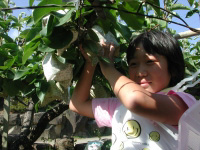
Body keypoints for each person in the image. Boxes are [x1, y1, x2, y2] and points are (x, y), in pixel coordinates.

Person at [69, 30, 196, 150]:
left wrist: (109, 69)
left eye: (150, 62)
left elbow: (135, 100)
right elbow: (77, 104)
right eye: (134, 64)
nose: (140, 72)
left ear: (173, 68)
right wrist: (91, 62)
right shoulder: (119, 108)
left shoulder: (181, 102)